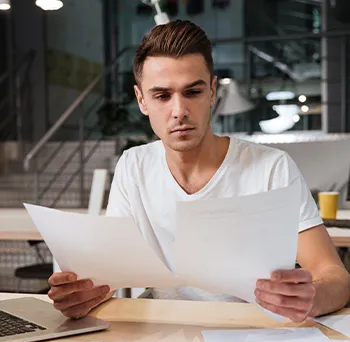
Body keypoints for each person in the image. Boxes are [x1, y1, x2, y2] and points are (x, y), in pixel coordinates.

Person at [47, 20, 350, 322]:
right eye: (162, 96)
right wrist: (81, 294)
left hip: (253, 332)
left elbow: (334, 276)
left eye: (192, 92)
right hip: (165, 333)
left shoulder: (272, 167)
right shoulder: (133, 165)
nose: (179, 110)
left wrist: (313, 297)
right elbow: (110, 271)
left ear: (212, 92)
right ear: (142, 100)